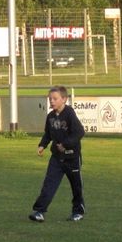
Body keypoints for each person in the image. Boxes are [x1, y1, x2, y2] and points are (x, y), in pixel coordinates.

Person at [29, 85, 85, 223]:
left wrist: (65, 144)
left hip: (72, 157)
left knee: (76, 186)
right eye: (50, 99)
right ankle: (39, 211)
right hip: (57, 158)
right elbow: (48, 134)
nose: (52, 101)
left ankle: (78, 212)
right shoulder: (50, 116)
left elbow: (79, 132)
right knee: (49, 184)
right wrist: (42, 145)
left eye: (55, 98)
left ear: (64, 99)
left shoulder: (69, 113)